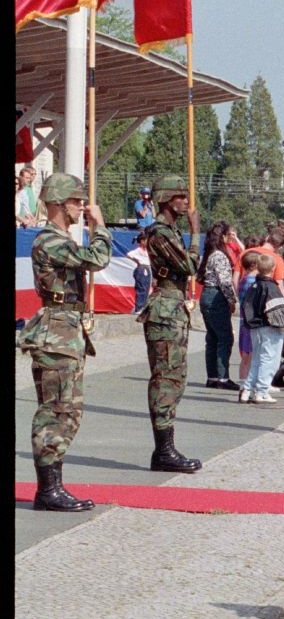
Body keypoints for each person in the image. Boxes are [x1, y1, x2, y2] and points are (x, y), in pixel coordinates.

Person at [17, 172, 111, 510]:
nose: (81, 206)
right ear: (57, 203)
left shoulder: (60, 239)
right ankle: (48, 490)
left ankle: (52, 487)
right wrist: (98, 227)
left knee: (67, 410)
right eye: (75, 200)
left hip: (66, 329)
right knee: (56, 410)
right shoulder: (50, 240)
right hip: (56, 332)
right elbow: (97, 259)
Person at [139, 175, 204, 473]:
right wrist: (195, 232)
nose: (186, 202)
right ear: (166, 199)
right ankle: (163, 451)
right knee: (166, 380)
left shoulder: (170, 231)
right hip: (164, 308)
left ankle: (166, 448)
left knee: (176, 378)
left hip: (173, 307)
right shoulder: (161, 234)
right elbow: (190, 266)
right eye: (180, 197)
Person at [196, 222, 239, 390]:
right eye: (229, 235)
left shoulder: (208, 253)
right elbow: (225, 281)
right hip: (216, 296)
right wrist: (231, 300)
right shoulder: (220, 256)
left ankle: (212, 376)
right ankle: (222, 377)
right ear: (223, 237)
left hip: (206, 294)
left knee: (212, 338)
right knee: (225, 337)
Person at [242, 253, 284, 404]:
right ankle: (261, 391)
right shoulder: (272, 287)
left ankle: (247, 389)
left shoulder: (253, 286)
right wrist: (283, 326)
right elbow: (278, 311)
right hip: (270, 327)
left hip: (255, 327)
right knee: (270, 359)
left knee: (257, 358)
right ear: (273, 268)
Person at [235, 249, 261, 396]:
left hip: (244, 321)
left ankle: (243, 384)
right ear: (255, 265)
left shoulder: (243, 280)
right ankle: (249, 386)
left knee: (246, 356)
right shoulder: (253, 282)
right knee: (252, 356)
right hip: (251, 323)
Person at [128, 232, 153, 313]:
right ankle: (139, 307)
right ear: (142, 241)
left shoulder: (148, 250)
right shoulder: (138, 250)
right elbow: (129, 254)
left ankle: (142, 306)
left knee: (147, 288)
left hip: (148, 268)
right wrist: (138, 261)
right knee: (142, 288)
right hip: (142, 268)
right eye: (146, 240)